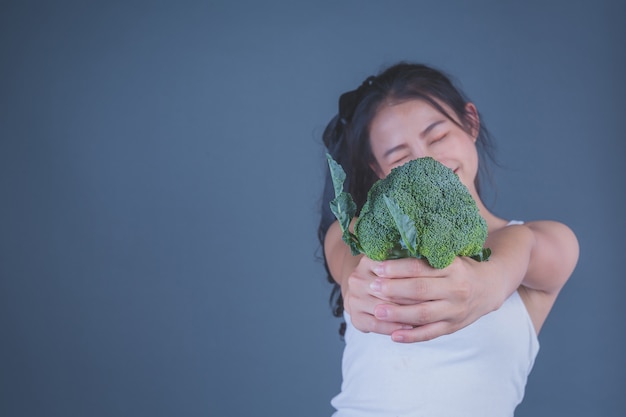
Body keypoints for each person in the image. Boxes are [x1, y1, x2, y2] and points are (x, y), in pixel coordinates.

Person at [317, 62, 579, 416]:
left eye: (437, 136)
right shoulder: (357, 235)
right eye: (400, 157)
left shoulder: (542, 240)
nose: (428, 161)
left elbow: (525, 248)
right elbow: (349, 260)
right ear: (378, 171)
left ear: (470, 122)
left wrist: (489, 280)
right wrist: (358, 287)